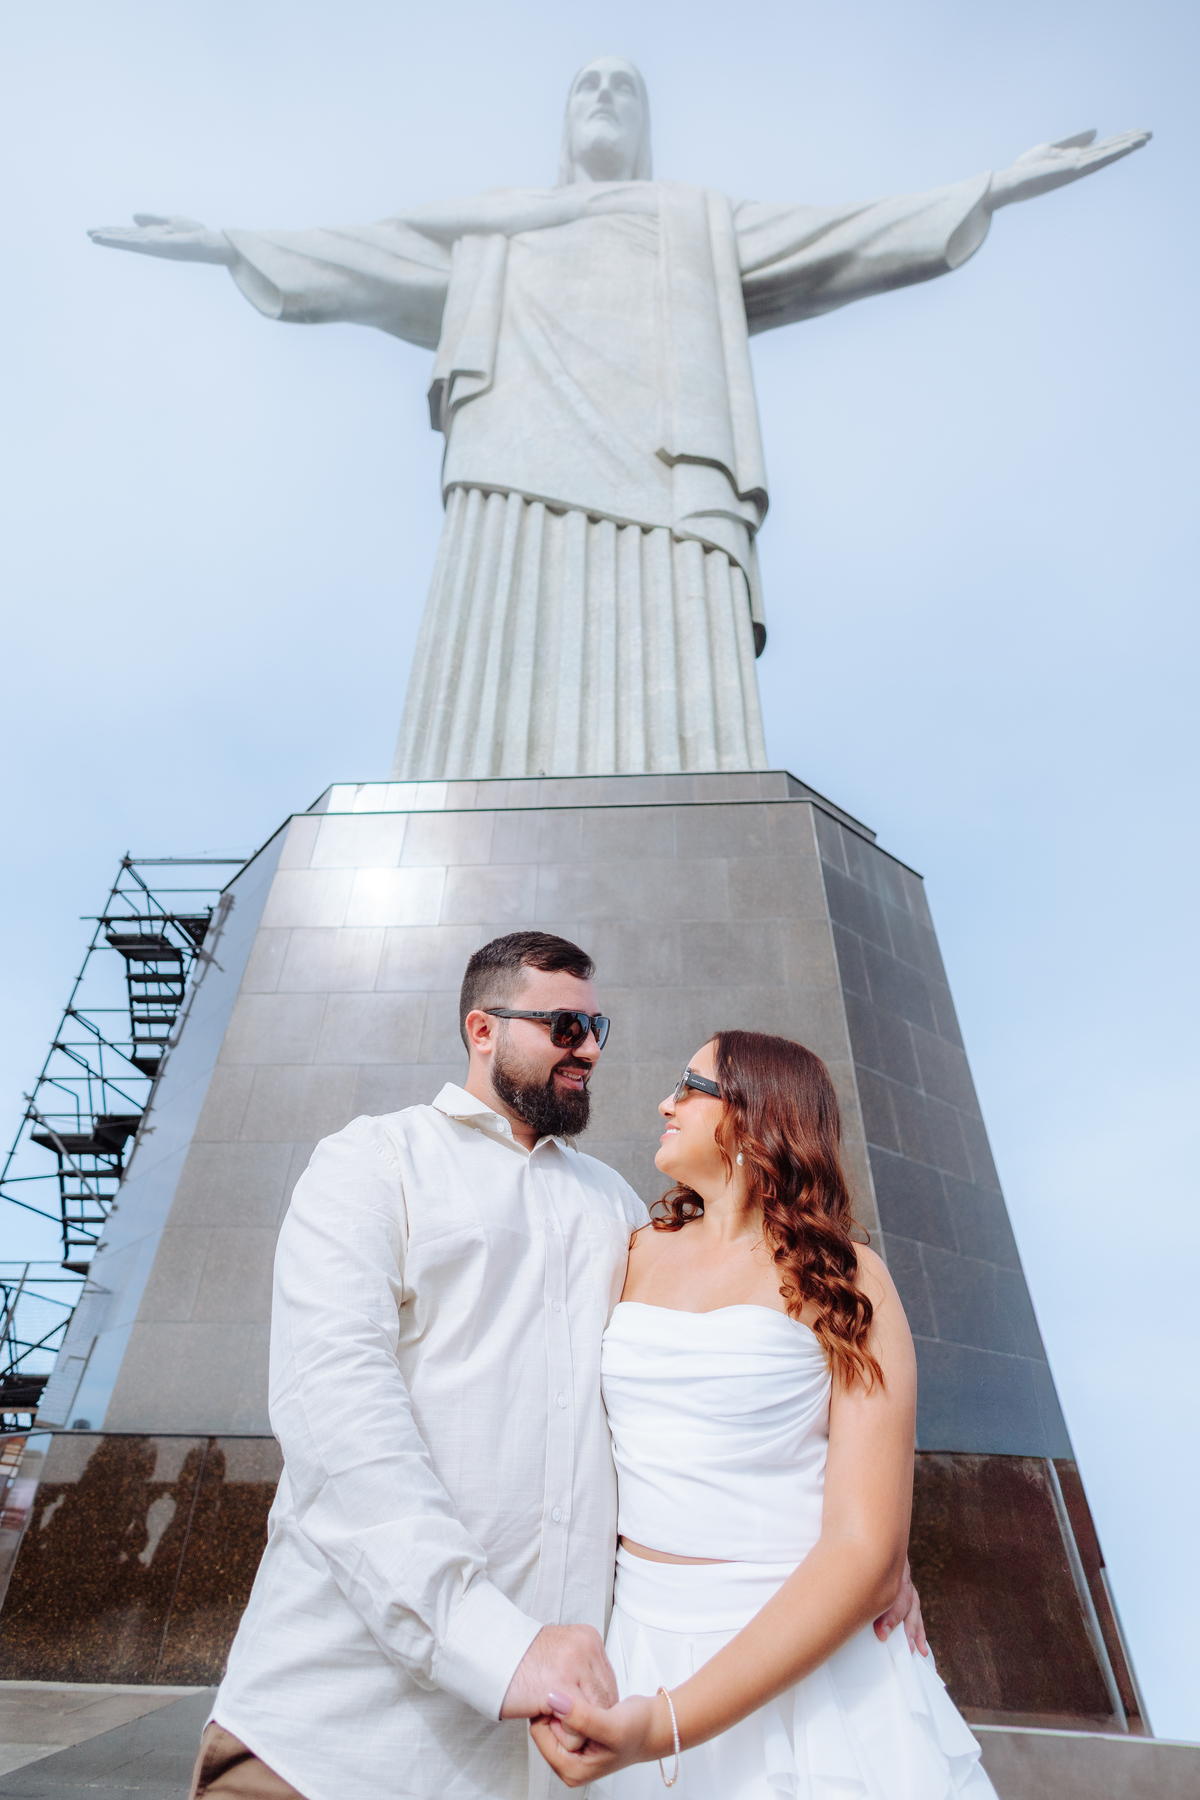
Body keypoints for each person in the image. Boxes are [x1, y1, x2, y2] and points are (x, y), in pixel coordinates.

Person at [88, 62, 1148, 783]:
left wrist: (998, 187)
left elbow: (848, 239)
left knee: (682, 699)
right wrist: (229, 241)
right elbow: (359, 257)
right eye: (586, 84)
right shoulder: (492, 227)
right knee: (487, 683)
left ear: (641, 125)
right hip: (511, 467)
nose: (603, 96)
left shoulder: (694, 221)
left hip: (669, 471)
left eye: (623, 87)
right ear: (565, 121)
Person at [189, 937, 922, 1800]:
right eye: (566, 1025)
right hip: (333, 1738)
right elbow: (338, 1424)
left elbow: (693, 1418)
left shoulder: (619, 1213)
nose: (592, 1050)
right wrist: (496, 1646)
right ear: (483, 1030)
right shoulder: (373, 1163)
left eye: (597, 1026)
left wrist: (868, 1550)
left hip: (544, 1761)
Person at [531, 1030, 997, 1799]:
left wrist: (666, 1725)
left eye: (689, 1086)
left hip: (802, 1658)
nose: (664, 1102)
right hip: (639, 1640)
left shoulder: (849, 1279)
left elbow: (865, 1546)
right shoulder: (632, 1248)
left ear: (753, 1115)